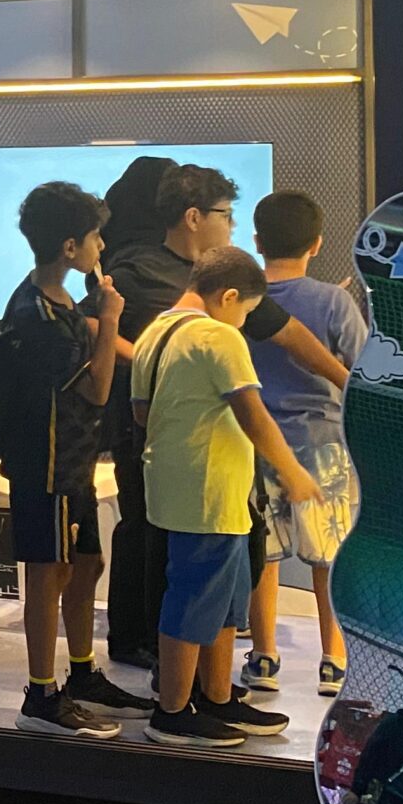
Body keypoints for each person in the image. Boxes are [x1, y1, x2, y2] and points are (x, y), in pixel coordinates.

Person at [100, 161, 350, 670]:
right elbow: (97, 329)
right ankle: (152, 659)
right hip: (162, 444)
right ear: (193, 217)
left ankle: (207, 681)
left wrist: (347, 381)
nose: (232, 226)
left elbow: (288, 333)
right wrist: (160, 359)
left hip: (217, 460)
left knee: (223, 565)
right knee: (157, 547)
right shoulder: (140, 273)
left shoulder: (223, 278)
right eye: (225, 215)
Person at [130, 248, 319, 749]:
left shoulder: (154, 333)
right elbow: (252, 412)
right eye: (247, 311)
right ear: (229, 296)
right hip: (209, 491)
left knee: (224, 600)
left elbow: (142, 412)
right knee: (194, 597)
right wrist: (293, 471)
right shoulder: (219, 336)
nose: (245, 322)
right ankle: (173, 711)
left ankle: (216, 697)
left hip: (185, 487)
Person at [0, 183, 154, 736]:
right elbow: (99, 388)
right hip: (48, 464)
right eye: (94, 237)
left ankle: (82, 674)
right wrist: (111, 319)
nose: (101, 245)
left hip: (74, 460)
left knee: (87, 564)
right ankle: (40, 695)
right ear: (69, 246)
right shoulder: (39, 315)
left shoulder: (53, 300)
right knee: (48, 571)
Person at [243, 192, 367, 699]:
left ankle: (264, 656)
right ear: (316, 243)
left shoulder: (239, 300)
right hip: (323, 443)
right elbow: (363, 367)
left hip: (254, 443)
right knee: (329, 557)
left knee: (263, 556)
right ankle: (333, 661)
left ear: (256, 242)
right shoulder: (333, 302)